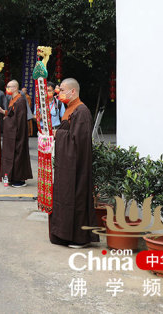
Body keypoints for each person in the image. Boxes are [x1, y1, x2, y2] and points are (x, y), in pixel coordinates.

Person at [49, 78, 98, 248]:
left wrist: (58, 135)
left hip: (77, 167)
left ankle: (80, 238)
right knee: (64, 198)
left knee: (76, 199)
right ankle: (63, 234)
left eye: (62, 90)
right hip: (66, 165)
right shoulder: (70, 109)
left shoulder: (81, 111)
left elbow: (77, 141)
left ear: (73, 92)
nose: (59, 93)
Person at [0, 80, 32, 187]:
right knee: (10, 155)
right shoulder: (12, 99)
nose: (7, 88)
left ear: (15, 88)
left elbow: (19, 120)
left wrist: (7, 120)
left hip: (18, 134)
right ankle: (11, 177)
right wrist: (4, 112)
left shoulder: (20, 101)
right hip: (11, 134)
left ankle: (19, 180)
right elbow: (12, 113)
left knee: (18, 156)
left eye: (9, 86)